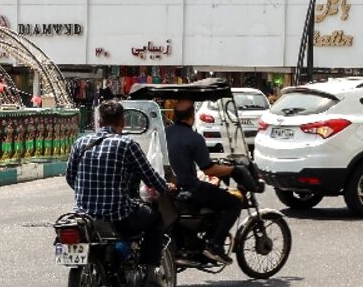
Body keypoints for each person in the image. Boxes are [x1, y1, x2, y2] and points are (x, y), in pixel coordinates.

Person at [66, 101, 176, 287]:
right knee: (155, 219)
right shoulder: (126, 144)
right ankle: (150, 274)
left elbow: (71, 178)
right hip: (117, 216)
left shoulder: (80, 142)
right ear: (122, 122)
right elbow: (150, 177)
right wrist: (167, 187)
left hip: (84, 215)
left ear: (99, 122)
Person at [165, 98, 241, 264]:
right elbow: (209, 169)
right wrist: (232, 169)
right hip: (190, 189)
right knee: (233, 203)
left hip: (171, 187)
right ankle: (214, 245)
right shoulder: (194, 138)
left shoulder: (165, 133)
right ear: (192, 117)